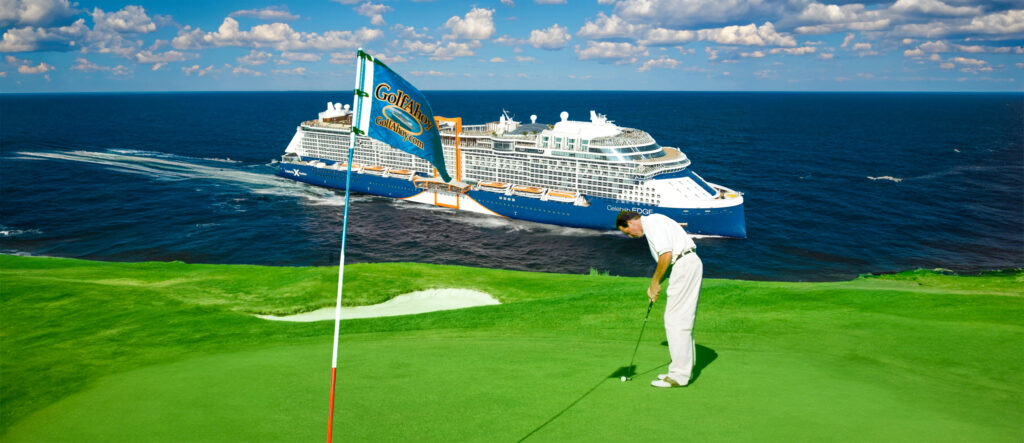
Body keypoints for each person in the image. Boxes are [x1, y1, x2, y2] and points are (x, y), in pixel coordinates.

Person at [616, 210, 702, 388]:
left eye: (627, 232)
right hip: (685, 265)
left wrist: (654, 283)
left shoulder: (652, 223)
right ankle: (680, 370)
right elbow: (666, 260)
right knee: (679, 320)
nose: (630, 236)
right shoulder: (655, 222)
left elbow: (666, 255)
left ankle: (679, 375)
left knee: (676, 320)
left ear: (630, 223)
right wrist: (655, 286)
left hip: (684, 265)